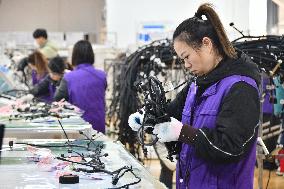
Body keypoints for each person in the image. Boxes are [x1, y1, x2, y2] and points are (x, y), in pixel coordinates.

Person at [128, 3, 260, 189]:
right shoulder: (197, 84)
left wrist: (183, 132)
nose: (186, 65)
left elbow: (230, 147)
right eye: (182, 60)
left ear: (207, 44)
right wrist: (147, 118)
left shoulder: (240, 87)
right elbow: (170, 113)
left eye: (186, 56)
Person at [54, 40, 107, 133]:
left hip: (78, 126)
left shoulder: (69, 77)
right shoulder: (102, 75)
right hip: (99, 126)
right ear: (92, 55)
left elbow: (57, 98)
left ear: (74, 56)